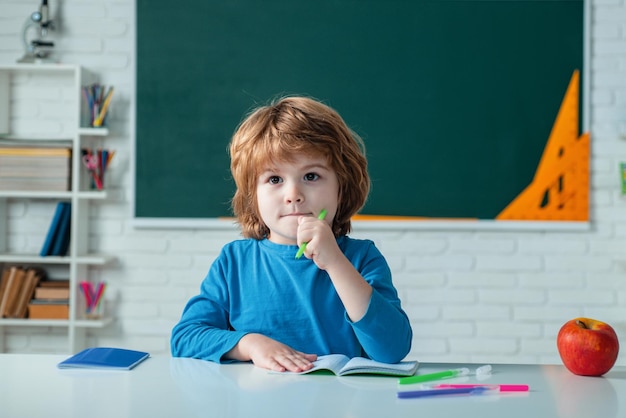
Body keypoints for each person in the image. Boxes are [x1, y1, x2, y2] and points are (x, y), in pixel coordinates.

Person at [171, 96, 412, 373]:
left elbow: (392, 350)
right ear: (253, 197)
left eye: (311, 176)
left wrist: (335, 262)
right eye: (274, 180)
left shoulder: (361, 258)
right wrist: (250, 344)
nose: (293, 195)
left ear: (340, 188)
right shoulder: (234, 262)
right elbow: (184, 339)